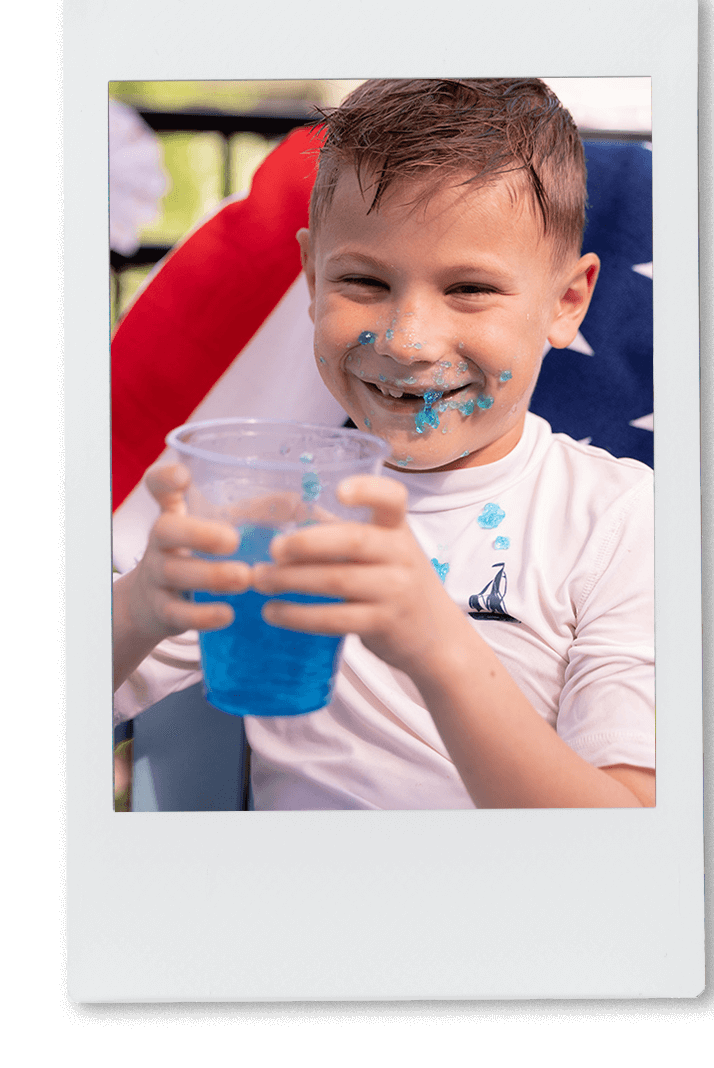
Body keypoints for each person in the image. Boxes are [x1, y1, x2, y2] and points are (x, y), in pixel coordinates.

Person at [112, 78, 655, 810]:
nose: (406, 342)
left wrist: (438, 647)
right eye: (363, 281)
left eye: (469, 289)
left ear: (566, 303)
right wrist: (140, 605)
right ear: (310, 278)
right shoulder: (272, 510)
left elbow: (627, 847)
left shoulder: (617, 518)